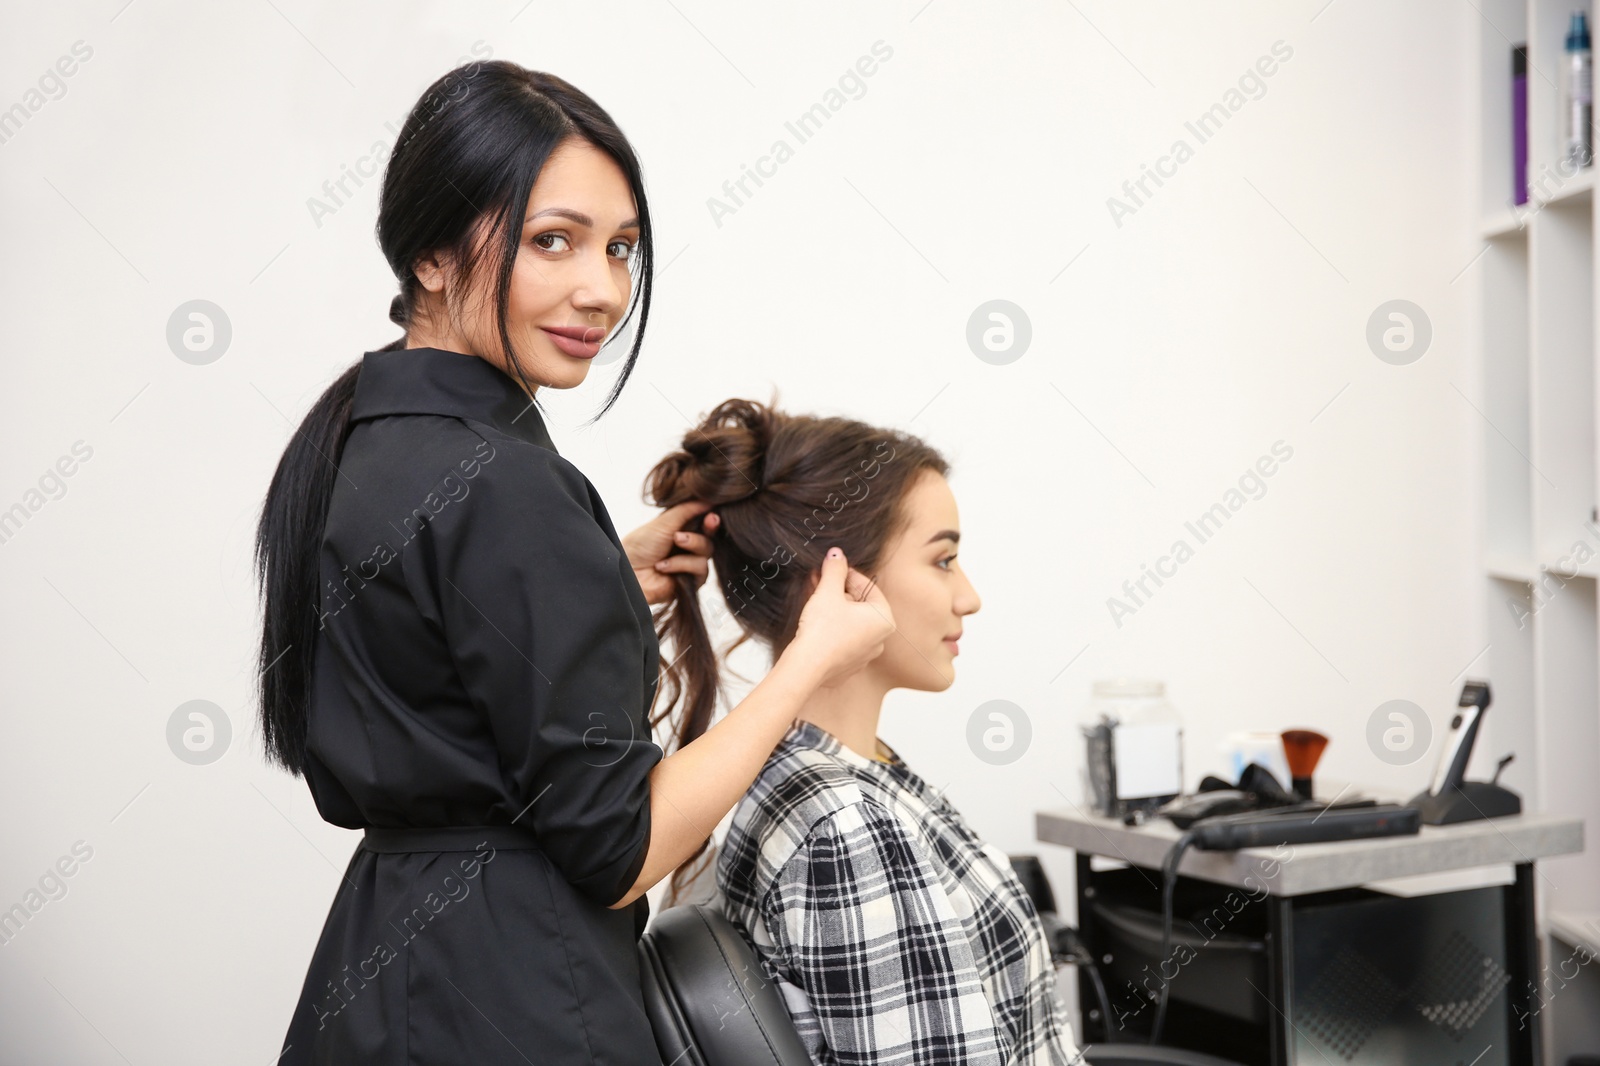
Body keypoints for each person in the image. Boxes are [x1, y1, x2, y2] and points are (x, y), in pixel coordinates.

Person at [253, 60, 895, 1064]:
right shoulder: (505, 486)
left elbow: (442, 666)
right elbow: (620, 852)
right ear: (430, 251)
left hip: (380, 977)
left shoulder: (363, 436)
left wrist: (593, 573)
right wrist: (810, 662)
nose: (601, 290)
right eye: (553, 240)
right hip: (516, 999)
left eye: (622, 248)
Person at [645, 397, 1083, 1064]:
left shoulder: (828, 778)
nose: (969, 597)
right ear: (843, 584)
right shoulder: (848, 827)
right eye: (943, 560)